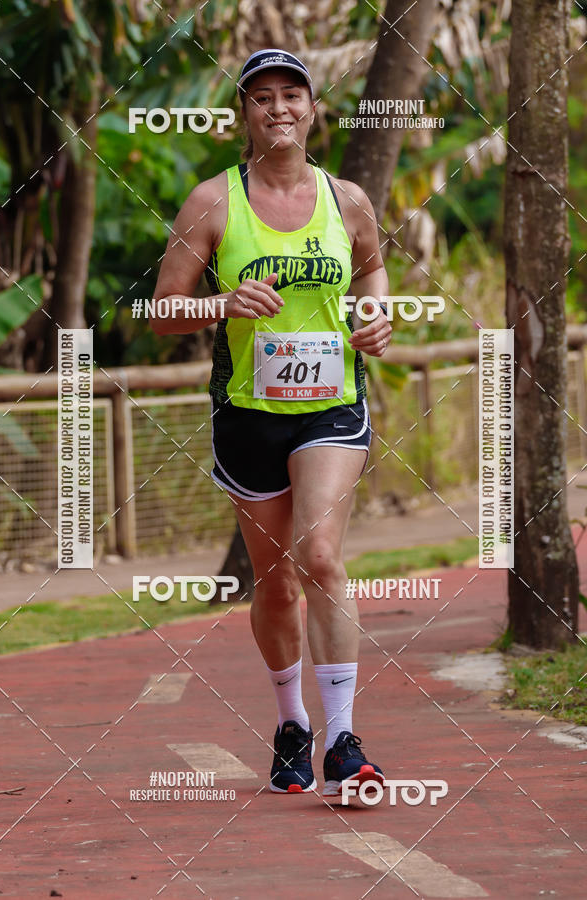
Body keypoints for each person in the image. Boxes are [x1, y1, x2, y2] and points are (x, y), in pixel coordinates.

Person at [152, 49, 393, 801]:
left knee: (319, 554)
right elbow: (163, 311)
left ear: (312, 108)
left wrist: (376, 309)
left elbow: (373, 268)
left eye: (292, 94)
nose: (278, 108)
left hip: (331, 408)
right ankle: (293, 723)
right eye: (262, 98)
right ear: (244, 116)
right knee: (277, 581)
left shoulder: (347, 199)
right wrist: (221, 305)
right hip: (249, 419)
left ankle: (344, 740)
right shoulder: (212, 203)